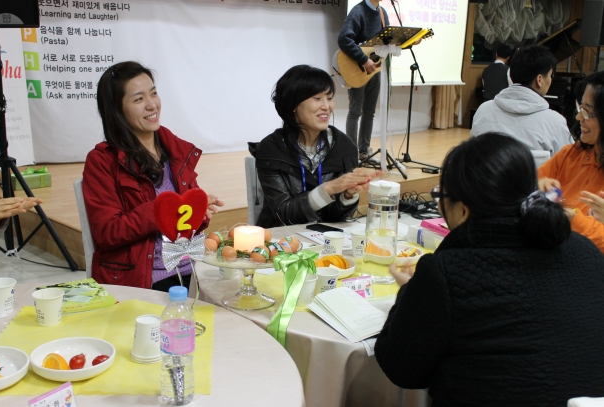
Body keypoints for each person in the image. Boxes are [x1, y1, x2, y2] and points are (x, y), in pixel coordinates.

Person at [375, 133, 604, 406]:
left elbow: (401, 369)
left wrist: (410, 293)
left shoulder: (446, 273)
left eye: (441, 196)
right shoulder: (586, 251)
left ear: (463, 211)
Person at [83, 61, 223, 291]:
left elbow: (186, 226)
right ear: (117, 110)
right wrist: (162, 210)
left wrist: (198, 210)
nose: (152, 105)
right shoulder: (102, 161)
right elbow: (107, 233)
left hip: (193, 268)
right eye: (139, 99)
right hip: (147, 279)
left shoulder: (176, 150)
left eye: (154, 93)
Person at [252, 65, 375, 228]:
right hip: (282, 237)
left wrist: (346, 196)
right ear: (293, 104)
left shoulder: (343, 146)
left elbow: (336, 219)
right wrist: (328, 189)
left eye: (329, 98)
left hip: (323, 236)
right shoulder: (272, 150)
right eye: (317, 98)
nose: (326, 106)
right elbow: (283, 214)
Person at [539, 70, 604, 253]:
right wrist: (541, 188)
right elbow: (532, 189)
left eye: (588, 112)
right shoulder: (570, 154)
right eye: (580, 107)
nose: (578, 117)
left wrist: (574, 221)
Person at [471, 44, 572, 155]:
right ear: (539, 80)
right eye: (550, 75)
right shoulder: (555, 122)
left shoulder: (483, 110)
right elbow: (567, 161)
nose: (550, 80)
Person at [338, 0, 389, 164]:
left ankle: (364, 151)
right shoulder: (358, 11)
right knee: (355, 110)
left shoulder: (382, 13)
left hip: (376, 69)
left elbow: (387, 41)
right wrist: (363, 59)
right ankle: (351, 153)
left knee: (369, 111)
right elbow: (344, 38)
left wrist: (408, 42)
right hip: (357, 68)